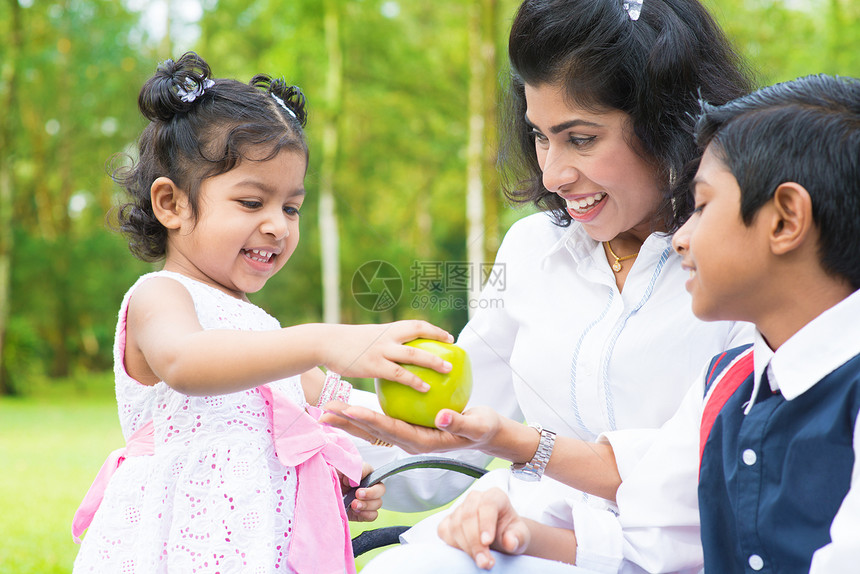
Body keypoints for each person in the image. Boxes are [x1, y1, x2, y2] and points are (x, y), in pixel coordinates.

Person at [324, 0, 755, 568]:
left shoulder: (746, 269)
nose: (552, 174)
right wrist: (327, 427)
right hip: (512, 533)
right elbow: (461, 424)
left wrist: (518, 448)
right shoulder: (532, 250)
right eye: (539, 137)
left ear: (669, 123)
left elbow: (695, 479)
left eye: (580, 139)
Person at [419, 73, 860, 573]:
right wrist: (518, 532)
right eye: (540, 136)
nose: (679, 237)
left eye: (703, 206)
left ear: (784, 220)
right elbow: (652, 540)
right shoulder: (731, 382)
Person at [70, 52, 455, 574]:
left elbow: (343, 409)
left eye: (291, 207)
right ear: (172, 204)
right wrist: (320, 340)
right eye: (253, 203)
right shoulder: (160, 296)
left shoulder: (264, 331)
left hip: (262, 546)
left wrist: (394, 430)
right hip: (178, 544)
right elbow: (186, 362)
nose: (278, 225)